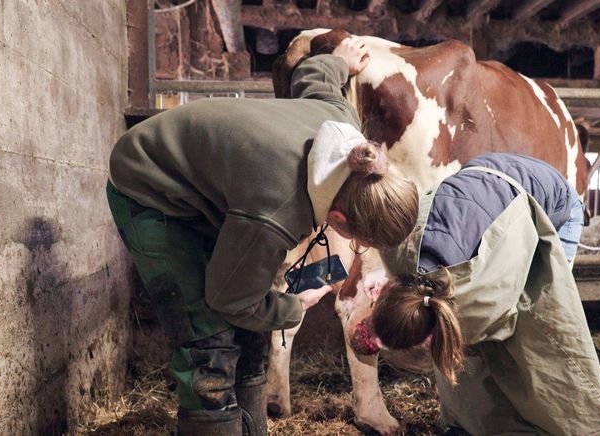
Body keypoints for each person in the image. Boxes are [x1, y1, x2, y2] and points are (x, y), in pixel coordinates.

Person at [106, 37, 418, 436]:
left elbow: (314, 77)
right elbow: (229, 297)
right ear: (338, 217)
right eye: (358, 239)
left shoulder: (343, 131)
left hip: (201, 187)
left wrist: (337, 63)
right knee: (208, 341)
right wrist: (291, 306)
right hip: (148, 185)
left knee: (251, 325)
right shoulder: (276, 213)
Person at [371, 153, 600, 435]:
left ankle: (535, 423)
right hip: (488, 173)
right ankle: (477, 419)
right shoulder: (397, 253)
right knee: (465, 337)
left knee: (536, 325)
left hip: (554, 203)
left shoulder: (478, 294)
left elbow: (508, 320)